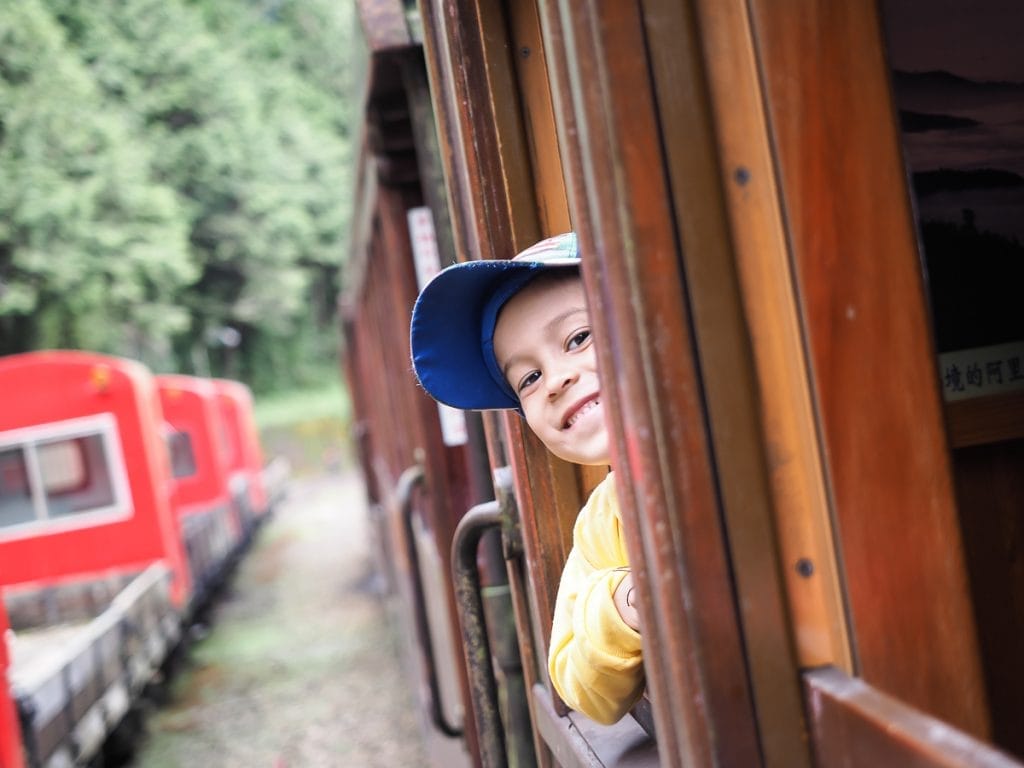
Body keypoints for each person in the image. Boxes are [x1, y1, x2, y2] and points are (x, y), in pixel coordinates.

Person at [410, 232, 644, 725]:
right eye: (528, 379)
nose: (556, 379)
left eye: (578, 338)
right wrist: (628, 602)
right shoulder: (602, 522)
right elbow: (581, 688)